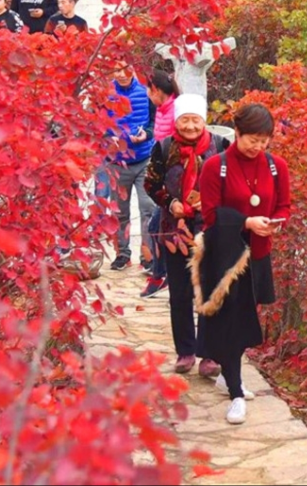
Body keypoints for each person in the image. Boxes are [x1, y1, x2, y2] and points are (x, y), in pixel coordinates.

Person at [193, 103, 292, 425]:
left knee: (247, 316)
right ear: (236, 132)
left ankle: (227, 375)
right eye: (252, 139)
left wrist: (275, 222)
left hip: (259, 254)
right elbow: (209, 216)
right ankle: (236, 392)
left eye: (265, 141)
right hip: (225, 258)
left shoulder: (277, 166)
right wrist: (246, 222)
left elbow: (284, 205)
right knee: (232, 323)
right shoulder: (215, 167)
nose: (258, 147)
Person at [146, 93, 229, 372]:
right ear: (176, 121)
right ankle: (185, 351)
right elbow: (151, 184)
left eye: (195, 120)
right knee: (180, 292)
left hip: (210, 229)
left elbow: (235, 185)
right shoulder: (164, 147)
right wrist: (171, 203)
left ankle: (209, 354)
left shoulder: (220, 146)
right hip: (175, 231)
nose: (190, 126)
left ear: (203, 120)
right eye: (185, 120)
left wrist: (212, 201)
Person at [95, 62, 156, 272]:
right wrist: (108, 138)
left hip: (144, 158)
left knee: (148, 208)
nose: (121, 74)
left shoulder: (146, 92)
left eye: (125, 69)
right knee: (120, 211)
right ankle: (123, 252)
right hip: (117, 161)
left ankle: (148, 255)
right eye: (116, 70)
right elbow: (97, 123)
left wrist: (146, 134)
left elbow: (154, 122)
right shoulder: (105, 94)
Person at [138, 69, 180, 297]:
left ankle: (161, 275)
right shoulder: (162, 110)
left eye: (148, 88)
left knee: (157, 227)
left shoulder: (175, 110)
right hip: (161, 179)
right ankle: (163, 274)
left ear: (155, 90)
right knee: (158, 227)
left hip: (174, 182)